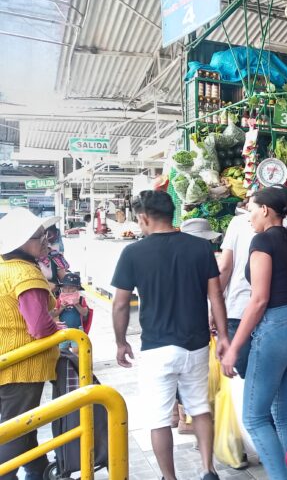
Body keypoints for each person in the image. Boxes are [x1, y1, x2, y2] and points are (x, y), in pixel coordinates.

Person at [111, 191, 229, 480]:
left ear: (144, 218)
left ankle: (170, 477)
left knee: (159, 419)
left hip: (157, 347)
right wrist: (223, 336)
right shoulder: (201, 248)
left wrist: (120, 341)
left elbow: (120, 304)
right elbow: (216, 296)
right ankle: (207, 469)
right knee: (199, 407)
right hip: (196, 344)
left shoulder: (133, 253)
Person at [220, 186, 287, 480]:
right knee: (284, 414)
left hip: (273, 329)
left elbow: (258, 300)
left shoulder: (262, 242)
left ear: (266, 210)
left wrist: (234, 347)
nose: (250, 217)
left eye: (252, 209)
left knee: (254, 417)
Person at [0, 208, 64, 480]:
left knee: (23, 426)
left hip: (8, 359)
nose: (46, 241)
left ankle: (39, 471)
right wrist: (54, 325)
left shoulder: (5, 269)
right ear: (20, 242)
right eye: (39, 237)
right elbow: (38, 327)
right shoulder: (27, 274)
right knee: (16, 429)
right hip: (24, 367)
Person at [217, 204, 257, 377]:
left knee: (246, 376)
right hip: (275, 313)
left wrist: (215, 306)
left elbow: (225, 267)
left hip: (239, 308)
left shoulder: (239, 222)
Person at [52, 272, 91, 355]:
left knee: (77, 350)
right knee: (62, 350)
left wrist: (77, 305)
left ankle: (77, 365)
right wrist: (61, 308)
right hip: (63, 329)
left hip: (77, 328)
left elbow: (85, 313)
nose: (67, 290)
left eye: (71, 288)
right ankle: (67, 365)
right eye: (65, 288)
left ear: (77, 288)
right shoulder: (59, 299)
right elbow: (54, 314)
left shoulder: (81, 299)